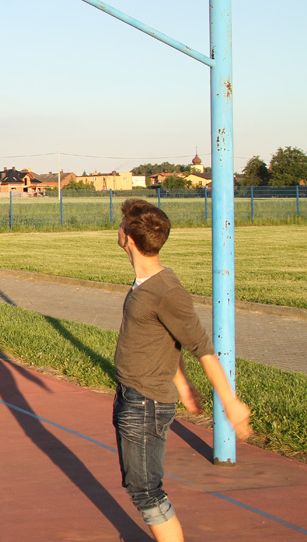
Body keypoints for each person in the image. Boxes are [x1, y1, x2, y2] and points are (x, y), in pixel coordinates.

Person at [113, 198, 251, 541]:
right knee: (139, 487)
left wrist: (231, 403)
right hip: (131, 396)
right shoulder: (146, 283)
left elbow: (203, 349)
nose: (118, 229)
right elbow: (168, 341)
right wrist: (184, 383)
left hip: (144, 404)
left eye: (121, 224)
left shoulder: (167, 291)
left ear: (129, 238)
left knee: (147, 492)